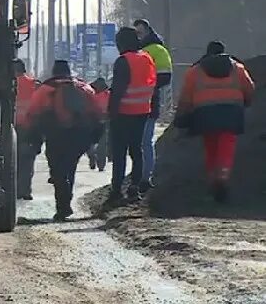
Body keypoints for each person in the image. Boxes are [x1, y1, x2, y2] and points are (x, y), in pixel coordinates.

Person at [174, 41, 255, 202]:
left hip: (205, 114)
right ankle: (223, 178)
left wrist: (181, 116)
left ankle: (212, 181)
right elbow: (249, 88)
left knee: (210, 147)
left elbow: (185, 97)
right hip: (232, 112)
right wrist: (246, 102)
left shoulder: (195, 72)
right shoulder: (237, 69)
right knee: (227, 144)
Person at [25, 60, 104, 221]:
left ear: (54, 72)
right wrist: (94, 137)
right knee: (70, 167)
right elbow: (97, 113)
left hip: (56, 135)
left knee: (58, 171)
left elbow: (32, 113)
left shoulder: (46, 89)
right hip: (80, 136)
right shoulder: (84, 88)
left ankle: (63, 205)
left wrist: (33, 137)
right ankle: (66, 199)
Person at [106, 27, 157, 204]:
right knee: (137, 150)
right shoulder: (147, 58)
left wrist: (110, 112)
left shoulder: (123, 61)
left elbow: (118, 90)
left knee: (119, 152)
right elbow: (153, 84)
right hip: (142, 110)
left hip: (123, 112)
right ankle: (135, 187)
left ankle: (116, 189)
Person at [133, 19, 174, 193]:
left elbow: (165, 77)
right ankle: (139, 177)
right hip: (135, 105)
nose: (138, 36)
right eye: (136, 33)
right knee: (139, 143)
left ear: (148, 32)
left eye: (140, 32)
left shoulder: (157, 50)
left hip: (148, 104)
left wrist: (145, 84)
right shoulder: (136, 52)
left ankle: (144, 178)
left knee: (144, 142)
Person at [14, 59, 41, 200]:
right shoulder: (33, 84)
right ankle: (25, 190)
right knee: (27, 161)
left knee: (12, 161)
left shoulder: (8, 84)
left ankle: (12, 190)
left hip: (11, 128)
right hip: (30, 128)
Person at [87, 77, 110, 172]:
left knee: (89, 143)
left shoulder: (91, 95)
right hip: (104, 120)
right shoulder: (108, 95)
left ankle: (92, 156)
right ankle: (101, 165)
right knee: (102, 144)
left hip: (92, 121)